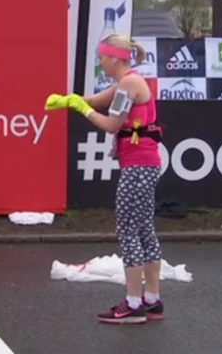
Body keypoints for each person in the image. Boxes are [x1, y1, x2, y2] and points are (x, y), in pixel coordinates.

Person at [45, 33, 164, 324]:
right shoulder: (128, 82)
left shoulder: (129, 84)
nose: (99, 63)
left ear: (114, 58)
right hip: (142, 163)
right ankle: (152, 300)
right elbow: (97, 100)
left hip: (138, 165)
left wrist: (81, 109)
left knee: (128, 229)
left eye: (101, 58)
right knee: (144, 228)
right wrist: (70, 100)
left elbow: (112, 124)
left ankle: (134, 303)